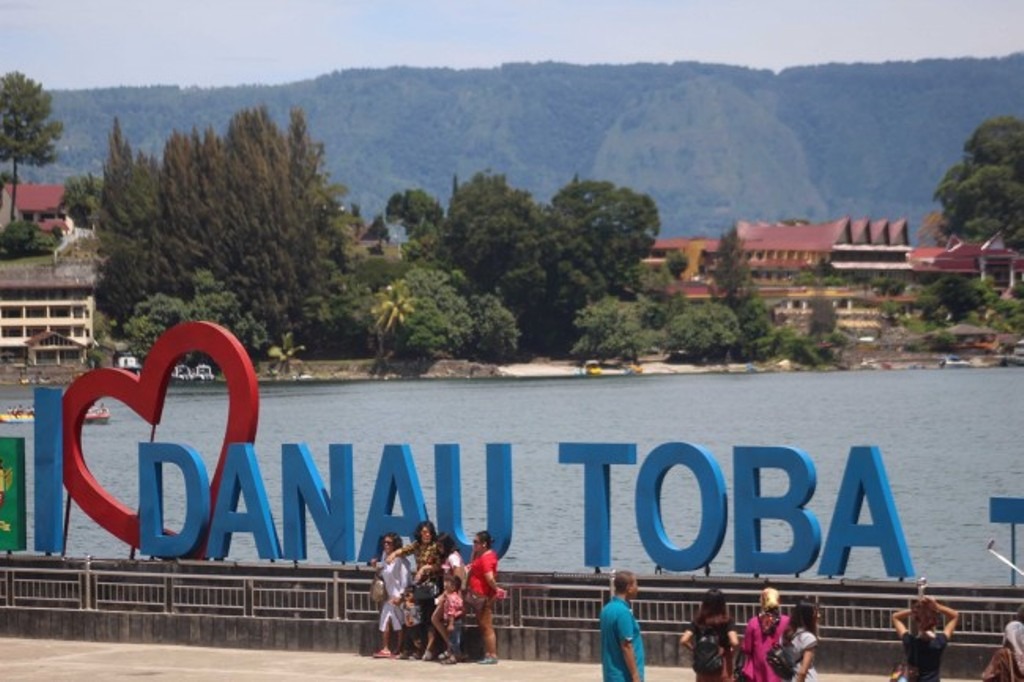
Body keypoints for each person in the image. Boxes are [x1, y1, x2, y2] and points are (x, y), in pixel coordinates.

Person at [387, 520, 442, 659]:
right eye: (424, 532)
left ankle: (429, 650)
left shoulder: (436, 546)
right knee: (413, 616)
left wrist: (424, 568)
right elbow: (404, 550)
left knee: (428, 618)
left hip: (433, 585)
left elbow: (440, 565)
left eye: (428, 532)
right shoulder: (417, 545)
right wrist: (393, 554)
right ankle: (417, 648)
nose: (426, 535)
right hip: (420, 586)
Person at [892, 596, 959, 682]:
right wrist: (937, 606)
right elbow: (955, 616)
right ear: (935, 623)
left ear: (917, 622)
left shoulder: (910, 642)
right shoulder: (939, 643)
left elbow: (895, 617)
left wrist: (915, 610)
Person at [680, 588, 739, 681]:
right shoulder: (727, 621)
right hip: (722, 664)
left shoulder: (698, 621)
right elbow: (734, 642)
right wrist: (731, 652)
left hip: (703, 666)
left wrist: (695, 650)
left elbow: (684, 640)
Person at [466, 529, 505, 665]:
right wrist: (474, 551)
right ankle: (488, 653)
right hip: (477, 594)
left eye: (476, 542)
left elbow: (489, 577)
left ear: (484, 544)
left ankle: (492, 654)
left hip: (483, 595)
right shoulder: (481, 555)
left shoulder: (486, 558)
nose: (473, 544)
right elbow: (471, 565)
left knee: (487, 625)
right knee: (482, 624)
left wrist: (496, 589)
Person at [370, 532, 410, 658]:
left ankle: (400, 649)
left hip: (398, 596)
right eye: (385, 543)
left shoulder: (401, 560)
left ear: (395, 545)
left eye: (389, 543)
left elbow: (405, 579)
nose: (386, 545)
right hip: (388, 596)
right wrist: (375, 567)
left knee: (399, 623)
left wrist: (402, 596)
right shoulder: (384, 557)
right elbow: (383, 573)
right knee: (385, 621)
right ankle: (385, 648)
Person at [600, 570, 644, 682]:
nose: (637, 588)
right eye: (636, 584)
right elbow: (626, 646)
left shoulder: (607, 609)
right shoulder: (623, 612)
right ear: (629, 587)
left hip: (611, 674)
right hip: (624, 676)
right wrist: (635, 676)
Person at [740, 587, 791, 682]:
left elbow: (747, 648)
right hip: (781, 667)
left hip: (759, 669)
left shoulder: (753, 622)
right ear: (778, 601)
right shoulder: (787, 621)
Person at [429, 533, 466, 659]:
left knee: (441, 620)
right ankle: (451, 648)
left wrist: (447, 594)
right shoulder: (450, 557)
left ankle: (453, 650)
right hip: (449, 595)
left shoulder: (452, 558)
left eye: (440, 546)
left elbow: (457, 577)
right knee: (442, 621)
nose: (439, 548)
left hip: (452, 597)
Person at [781, 599, 819, 682]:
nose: (818, 616)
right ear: (808, 616)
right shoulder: (808, 638)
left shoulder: (786, 635)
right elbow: (803, 671)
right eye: (815, 613)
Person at [438, 574, 465, 665]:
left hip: (454, 621)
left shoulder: (452, 598)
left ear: (453, 587)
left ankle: (454, 656)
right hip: (454, 620)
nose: (445, 585)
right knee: (453, 639)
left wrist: (451, 624)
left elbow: (451, 612)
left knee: (454, 640)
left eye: (447, 583)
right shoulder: (452, 596)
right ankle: (456, 654)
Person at [398, 586, 422, 659]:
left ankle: (419, 652)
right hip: (408, 625)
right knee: (407, 639)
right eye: (406, 593)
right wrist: (404, 601)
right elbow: (400, 605)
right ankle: (406, 651)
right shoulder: (404, 604)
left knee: (416, 640)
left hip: (415, 625)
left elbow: (415, 615)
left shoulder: (417, 605)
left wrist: (410, 607)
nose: (408, 595)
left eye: (410, 593)